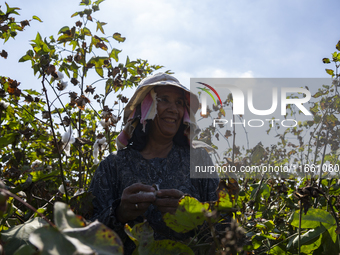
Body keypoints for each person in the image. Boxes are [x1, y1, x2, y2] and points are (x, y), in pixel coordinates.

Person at [89, 72, 219, 254]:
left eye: (179, 103)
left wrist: (191, 216)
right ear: (146, 108)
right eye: (164, 99)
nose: (174, 109)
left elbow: (224, 225)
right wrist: (119, 213)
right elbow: (85, 232)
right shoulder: (113, 166)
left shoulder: (199, 160)